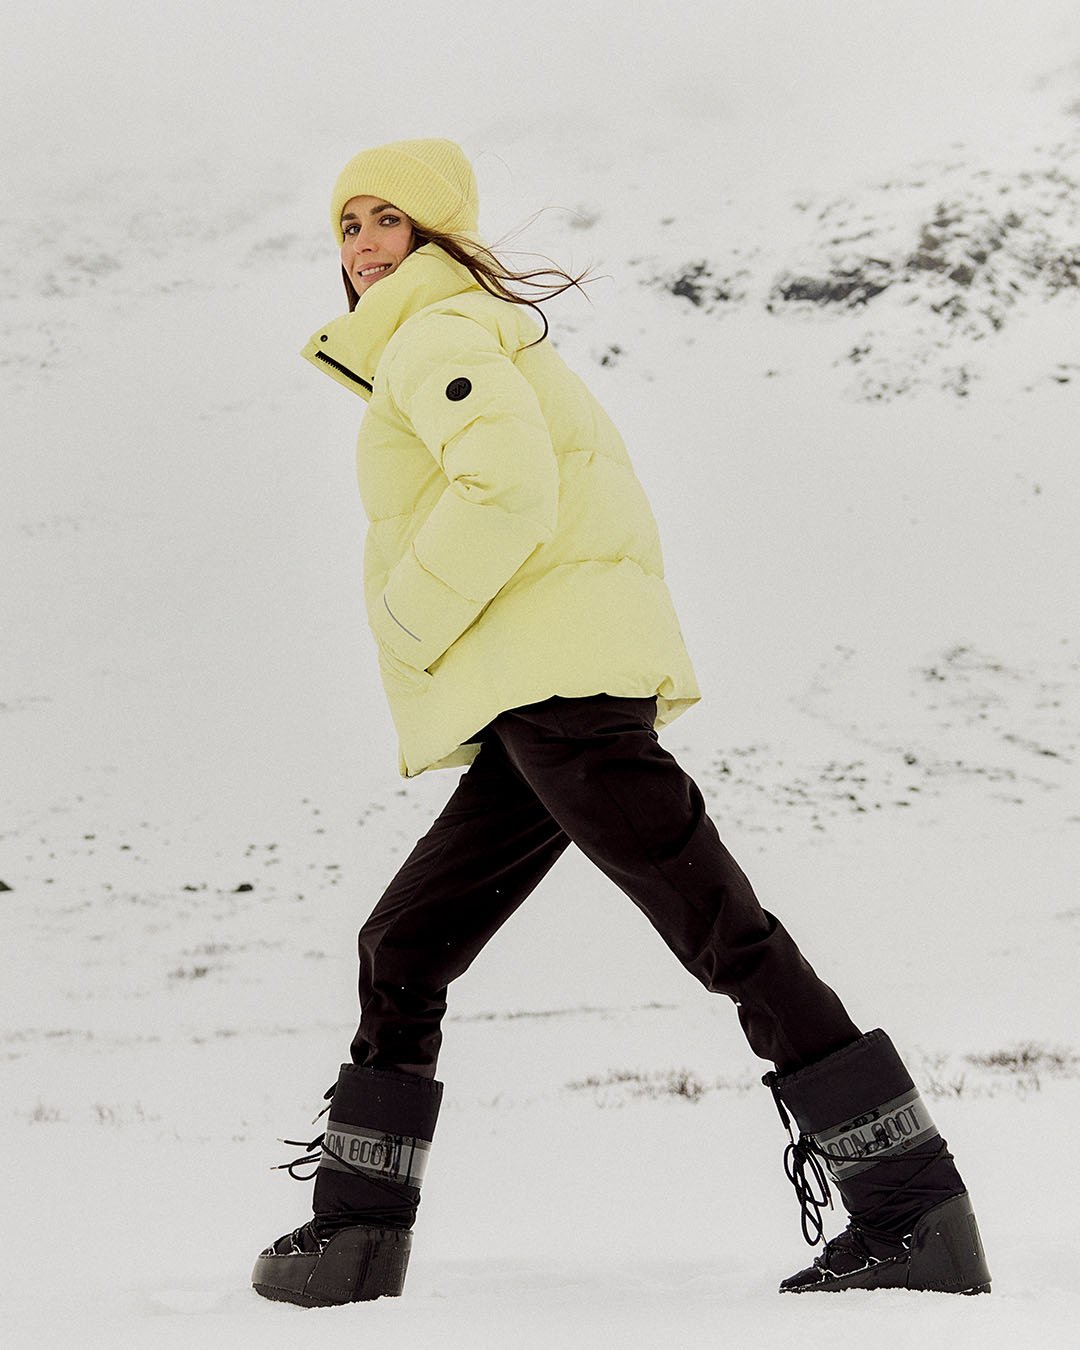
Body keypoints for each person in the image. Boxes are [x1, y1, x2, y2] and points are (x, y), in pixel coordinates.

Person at [251, 138, 990, 1307]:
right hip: (537, 700)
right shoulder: (453, 333)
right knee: (404, 944)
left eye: (389, 218)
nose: (364, 245)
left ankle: (911, 1209)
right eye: (348, 225)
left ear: (435, 232)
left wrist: (404, 615)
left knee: (724, 935)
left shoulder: (437, 335)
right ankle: (356, 1231)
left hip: (562, 694)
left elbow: (510, 486)